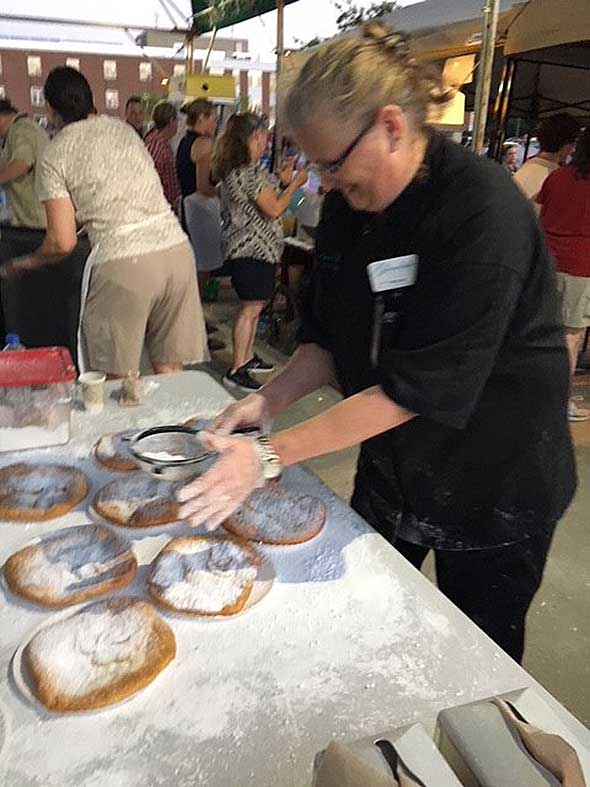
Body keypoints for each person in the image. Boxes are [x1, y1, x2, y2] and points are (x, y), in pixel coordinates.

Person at [177, 23, 576, 665]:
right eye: (314, 165)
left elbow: (415, 389)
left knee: (472, 660)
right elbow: (328, 338)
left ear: (391, 125)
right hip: (395, 467)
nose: (324, 183)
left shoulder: (481, 210)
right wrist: (269, 401)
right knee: (354, 622)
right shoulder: (350, 204)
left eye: (331, 164)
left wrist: (267, 457)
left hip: (497, 481)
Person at [0, 67, 206, 378]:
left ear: (51, 110)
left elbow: (62, 241)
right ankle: (173, 427)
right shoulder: (122, 130)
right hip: (176, 251)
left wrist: (25, 263)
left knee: (114, 379)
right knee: (169, 373)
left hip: (126, 262)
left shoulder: (55, 153)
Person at [211, 112, 307, 392]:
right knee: (250, 308)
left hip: (259, 250)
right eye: (262, 136)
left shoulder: (249, 171)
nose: (266, 141)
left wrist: (285, 182)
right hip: (249, 250)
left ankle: (247, 357)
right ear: (251, 138)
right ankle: (237, 367)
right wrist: (296, 184)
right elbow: (276, 208)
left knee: (256, 306)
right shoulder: (244, 173)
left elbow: (272, 199)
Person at [0, 98, 88, 362]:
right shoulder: (18, 131)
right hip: (31, 226)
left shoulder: (22, 130)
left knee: (35, 306)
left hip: (35, 229)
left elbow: (22, 164)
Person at [537, 128, 590, 422]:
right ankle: (559, 402)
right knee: (571, 336)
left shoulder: (557, 176)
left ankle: (541, 393)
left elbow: (537, 205)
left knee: (545, 332)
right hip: (580, 266)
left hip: (547, 260)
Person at [177, 98, 225, 351]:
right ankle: (194, 329)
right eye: (213, 118)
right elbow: (203, 186)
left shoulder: (184, 141)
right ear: (203, 118)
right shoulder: (204, 143)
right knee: (201, 272)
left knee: (197, 270)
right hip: (200, 212)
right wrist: (224, 192)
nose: (215, 124)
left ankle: (193, 326)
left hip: (187, 208)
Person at [514, 113, 579, 204]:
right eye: (573, 143)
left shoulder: (524, 169)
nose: (573, 149)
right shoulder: (557, 177)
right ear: (565, 145)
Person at [145, 102, 181, 211]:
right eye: (176, 120)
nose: (178, 125)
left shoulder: (152, 141)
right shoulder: (160, 148)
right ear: (171, 121)